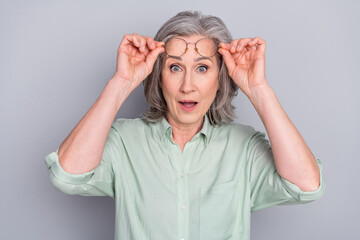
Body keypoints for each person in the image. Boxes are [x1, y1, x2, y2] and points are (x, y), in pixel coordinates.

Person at [44, 10, 326, 240]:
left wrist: (258, 88)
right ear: (159, 75)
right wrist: (121, 83)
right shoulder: (124, 141)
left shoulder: (244, 148)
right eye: (175, 67)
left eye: (202, 68)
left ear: (220, 79)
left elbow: (307, 186)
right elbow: (67, 175)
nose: (187, 86)